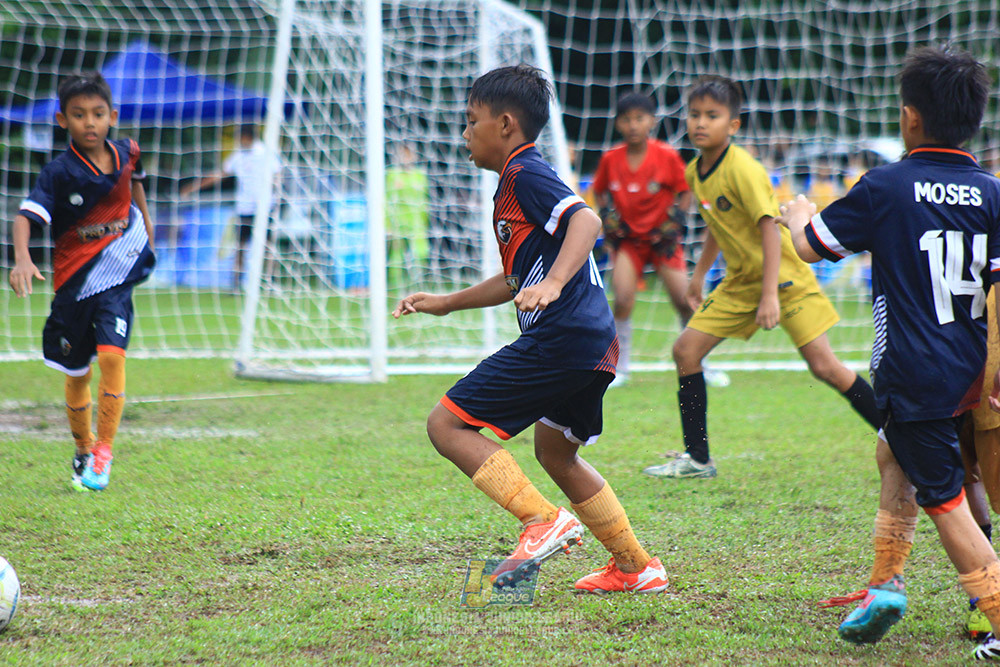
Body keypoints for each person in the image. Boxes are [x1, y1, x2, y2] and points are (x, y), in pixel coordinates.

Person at [392, 65, 667, 593]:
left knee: (446, 426)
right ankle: (636, 566)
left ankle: (543, 521)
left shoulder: (525, 174)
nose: (464, 134)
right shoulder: (512, 188)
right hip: (592, 339)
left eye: (470, 122)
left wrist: (556, 283)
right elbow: (517, 276)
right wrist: (447, 303)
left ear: (506, 124)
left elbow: (585, 221)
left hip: (561, 336)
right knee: (557, 452)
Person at [779, 46, 1000, 660]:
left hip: (915, 369)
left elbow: (810, 248)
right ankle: (885, 585)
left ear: (909, 118)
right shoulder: (993, 192)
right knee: (893, 454)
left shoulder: (885, 186)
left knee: (945, 498)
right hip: (975, 369)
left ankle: (996, 611)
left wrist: (798, 213)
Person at [642, 76, 880, 480]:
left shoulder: (744, 170)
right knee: (686, 351)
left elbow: (769, 228)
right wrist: (699, 276)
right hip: (741, 282)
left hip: (784, 278)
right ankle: (698, 460)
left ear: (733, 125)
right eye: (695, 114)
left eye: (712, 116)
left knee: (825, 367)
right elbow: (719, 224)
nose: (700, 123)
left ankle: (901, 438)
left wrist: (770, 294)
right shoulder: (697, 170)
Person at [8, 72, 156, 492]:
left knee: (113, 357)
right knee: (76, 375)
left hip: (116, 279)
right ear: (62, 120)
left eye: (97, 114)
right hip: (73, 288)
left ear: (112, 115)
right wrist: (22, 259)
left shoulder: (128, 151)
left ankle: (104, 452)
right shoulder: (59, 173)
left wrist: (145, 223)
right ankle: (83, 446)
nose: (89, 123)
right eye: (78, 115)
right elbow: (25, 218)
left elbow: (137, 181)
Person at [592, 93, 726, 387]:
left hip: (662, 241)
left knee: (685, 301)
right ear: (618, 124)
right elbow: (599, 189)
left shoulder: (666, 155)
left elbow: (685, 191)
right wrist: (606, 214)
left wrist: (675, 221)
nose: (633, 125)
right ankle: (619, 368)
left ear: (652, 121)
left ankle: (702, 365)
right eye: (626, 119)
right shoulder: (611, 158)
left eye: (640, 118)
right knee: (623, 300)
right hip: (629, 242)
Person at [180, 123, 281, 290]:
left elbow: (277, 175)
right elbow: (220, 174)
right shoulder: (238, 156)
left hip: (264, 208)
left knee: (267, 246)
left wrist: (275, 194)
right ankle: (236, 283)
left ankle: (269, 282)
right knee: (240, 246)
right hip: (245, 208)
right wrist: (193, 187)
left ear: (247, 137)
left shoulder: (266, 153)